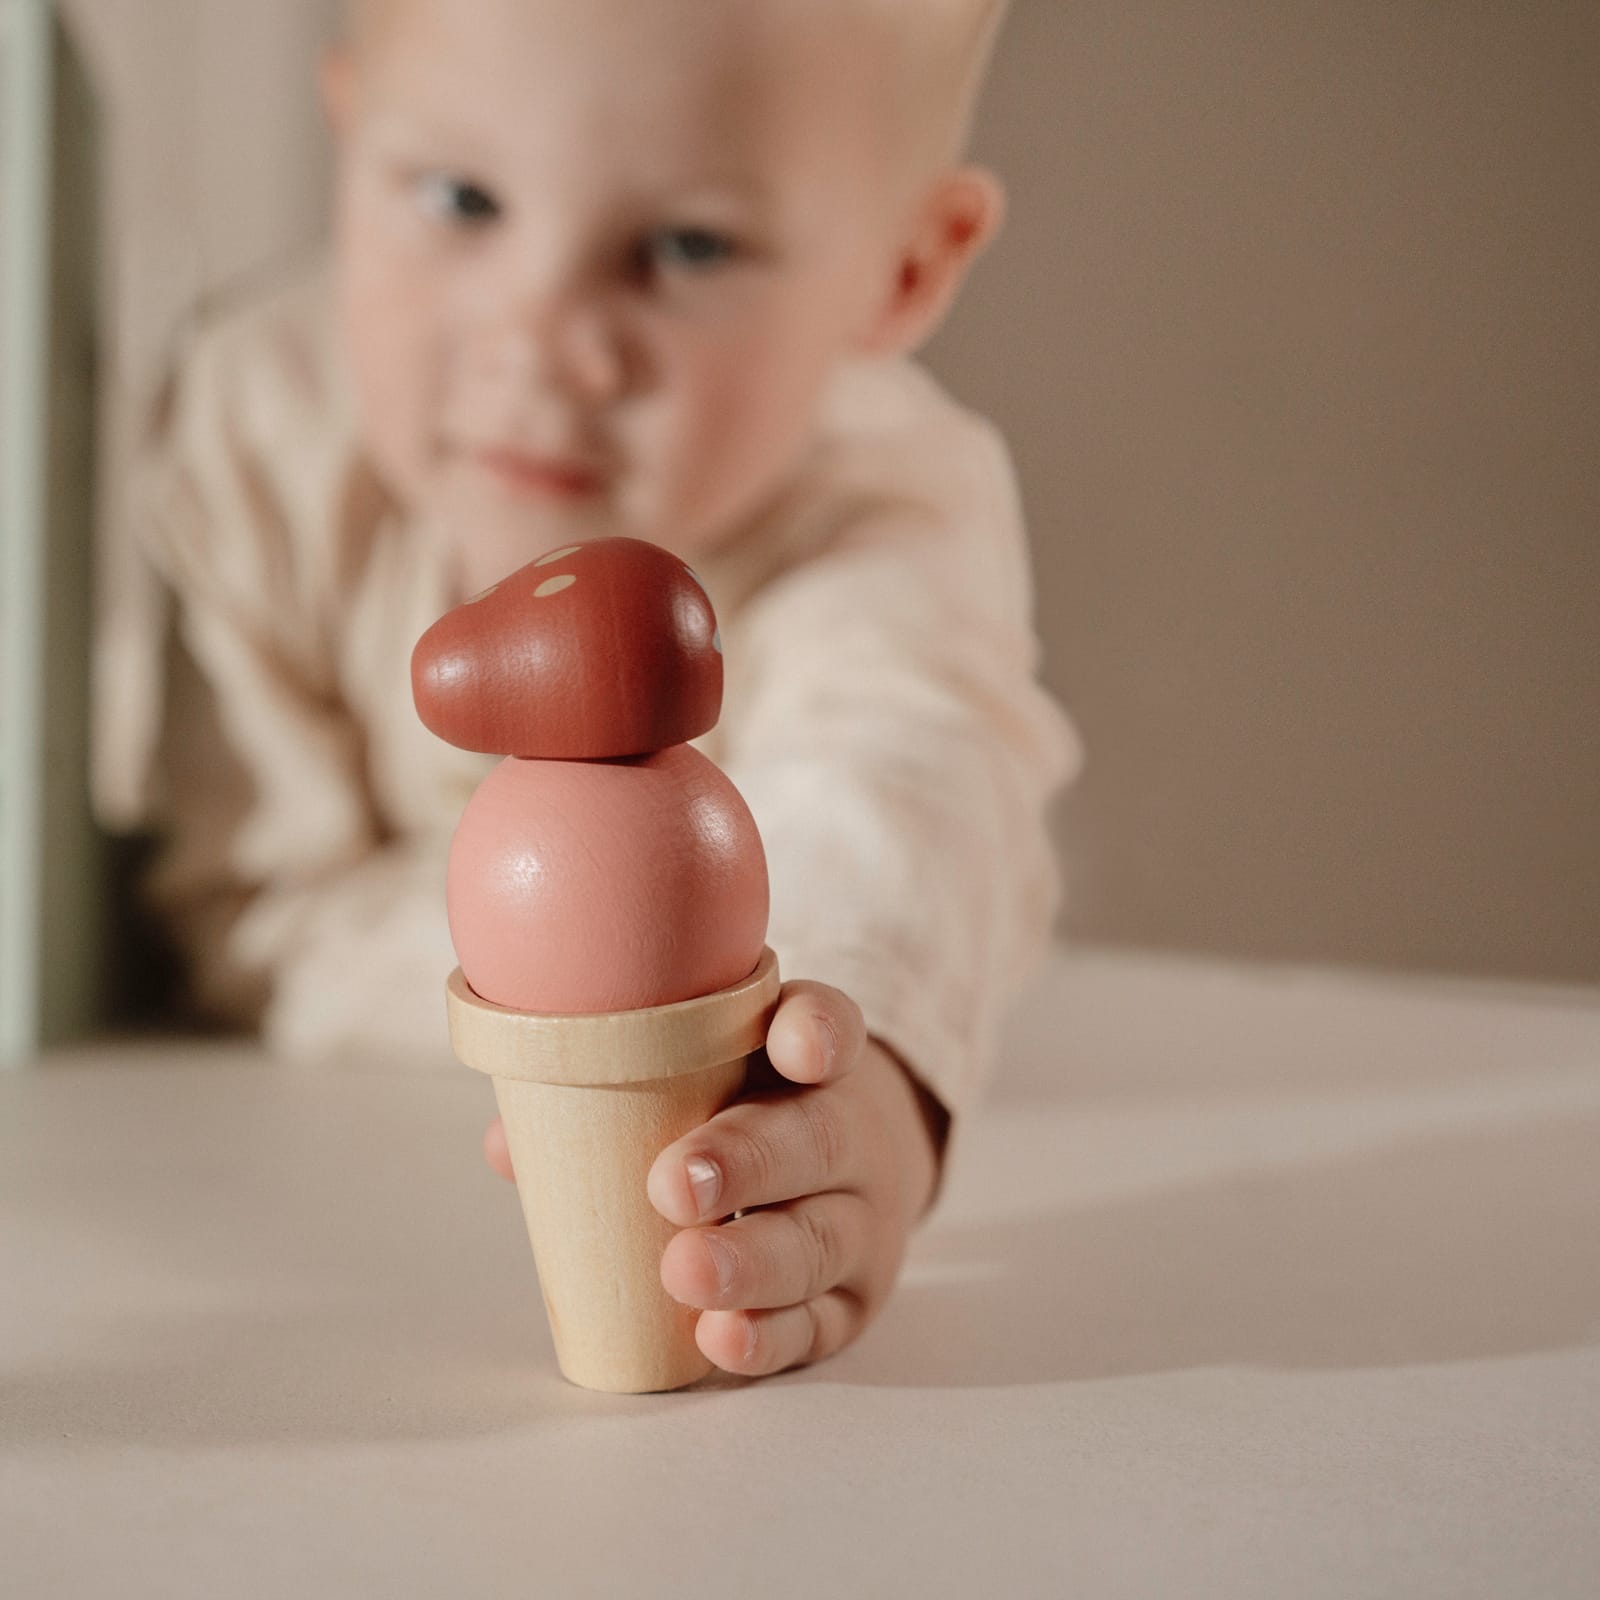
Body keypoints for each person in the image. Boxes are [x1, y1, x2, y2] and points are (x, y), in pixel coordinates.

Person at [98, 0, 1083, 1379]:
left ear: (901, 271)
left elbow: (908, 799)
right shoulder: (258, 431)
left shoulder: (885, 507)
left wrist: (863, 1089)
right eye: (459, 197)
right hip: (331, 1200)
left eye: (685, 246)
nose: (546, 338)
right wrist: (568, 986)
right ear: (347, 134)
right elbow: (261, 910)